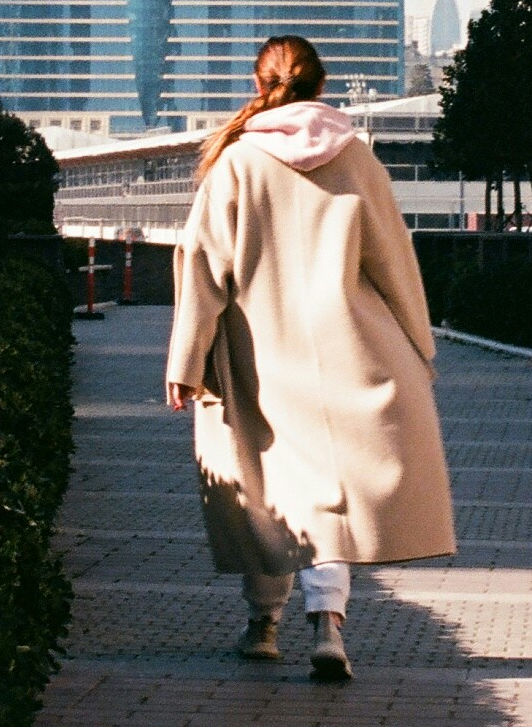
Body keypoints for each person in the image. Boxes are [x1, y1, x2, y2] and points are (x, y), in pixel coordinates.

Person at [165, 35, 455, 682]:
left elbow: (203, 267)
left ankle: (263, 625)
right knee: (333, 497)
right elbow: (392, 261)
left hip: (259, 356)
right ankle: (329, 627)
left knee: (264, 493)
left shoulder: (236, 164)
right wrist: (418, 345)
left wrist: (186, 362)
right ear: (320, 86)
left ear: (257, 81)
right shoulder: (356, 158)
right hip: (349, 347)